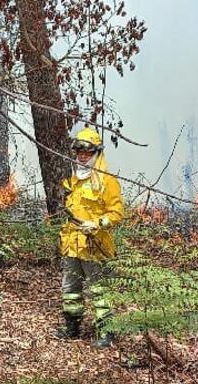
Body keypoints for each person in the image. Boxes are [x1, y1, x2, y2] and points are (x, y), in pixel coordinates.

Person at [56, 127, 124, 348]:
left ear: (96, 153)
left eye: (87, 152)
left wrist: (96, 224)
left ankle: (106, 333)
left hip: (94, 245)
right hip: (72, 244)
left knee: (99, 290)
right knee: (70, 290)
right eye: (79, 152)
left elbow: (116, 213)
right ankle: (72, 327)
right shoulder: (73, 180)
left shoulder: (107, 181)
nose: (82, 156)